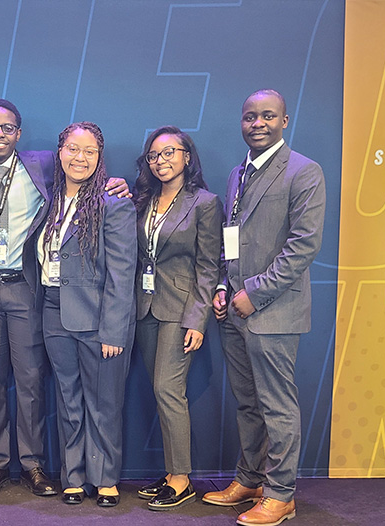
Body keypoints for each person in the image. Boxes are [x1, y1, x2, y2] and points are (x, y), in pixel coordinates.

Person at [0, 99, 128, 498]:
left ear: (19, 132)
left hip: (28, 289)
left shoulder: (44, 164)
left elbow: (88, 173)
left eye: (8, 128)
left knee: (32, 381)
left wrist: (119, 183)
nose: (0, 134)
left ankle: (33, 466)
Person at [203, 90, 325, 526]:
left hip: (271, 311)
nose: (258, 123)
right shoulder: (239, 174)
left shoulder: (304, 172)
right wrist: (222, 286)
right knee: (248, 403)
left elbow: (302, 247)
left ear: (284, 120)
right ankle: (250, 478)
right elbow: (231, 239)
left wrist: (254, 293)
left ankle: (281, 494)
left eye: (267, 116)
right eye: (250, 116)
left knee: (277, 405)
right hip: (235, 310)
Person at [38, 122, 137, 508]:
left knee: (104, 403)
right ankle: (74, 476)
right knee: (69, 401)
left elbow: (122, 272)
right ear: (60, 152)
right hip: (53, 312)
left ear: (100, 157)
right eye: (73, 149)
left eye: (90, 151)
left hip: (99, 321)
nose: (81, 158)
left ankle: (106, 477)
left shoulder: (115, 202)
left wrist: (113, 330)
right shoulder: (47, 199)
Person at [131, 126, 222, 510]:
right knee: (159, 390)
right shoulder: (143, 200)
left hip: (181, 310)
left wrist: (198, 320)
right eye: (154, 155)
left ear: (187, 156)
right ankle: (171, 472)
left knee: (169, 390)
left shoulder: (204, 202)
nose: (161, 160)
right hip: (144, 307)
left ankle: (182, 479)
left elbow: (208, 265)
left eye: (170, 152)